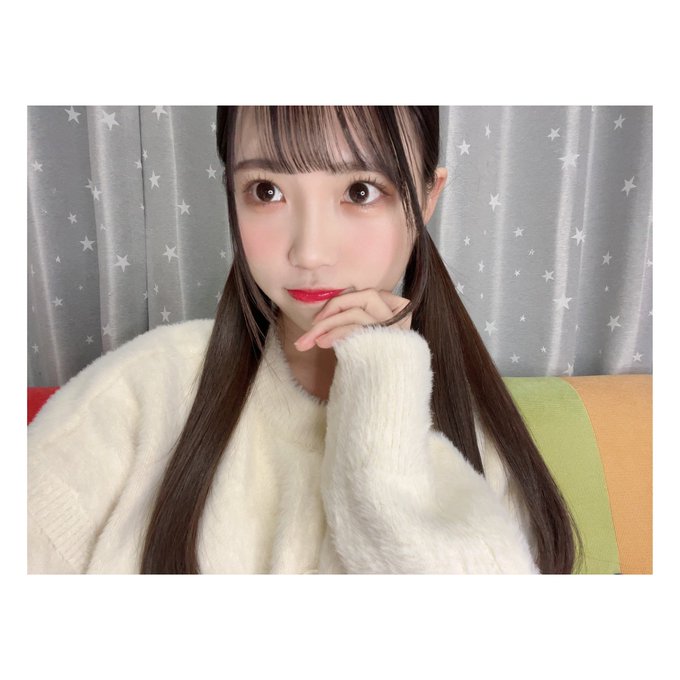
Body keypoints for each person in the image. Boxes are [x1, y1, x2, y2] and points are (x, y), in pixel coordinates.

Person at [27, 106, 582, 574]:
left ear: (427, 196)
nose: (310, 252)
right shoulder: (141, 388)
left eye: (360, 191)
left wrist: (384, 390)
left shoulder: (482, 443)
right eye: (265, 191)